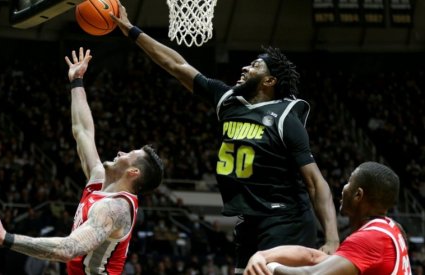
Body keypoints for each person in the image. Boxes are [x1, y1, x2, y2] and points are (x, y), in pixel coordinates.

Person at [110, 3, 339, 273]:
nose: (245, 67)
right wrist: (131, 30)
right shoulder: (228, 100)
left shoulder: (286, 117)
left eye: (255, 66)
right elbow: (175, 64)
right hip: (249, 220)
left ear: (269, 82)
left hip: (286, 219)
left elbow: (315, 182)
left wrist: (332, 238)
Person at [0, 48, 164, 275]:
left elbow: (67, 249)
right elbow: (82, 130)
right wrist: (77, 82)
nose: (121, 152)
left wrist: (7, 238)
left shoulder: (116, 208)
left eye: (129, 154)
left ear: (133, 172)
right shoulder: (99, 180)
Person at [243, 161, 412, 275]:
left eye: (349, 182)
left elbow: (313, 273)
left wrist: (269, 268)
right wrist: (262, 255)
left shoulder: (369, 239)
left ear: (358, 195)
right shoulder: (391, 227)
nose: (343, 188)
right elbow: (314, 258)